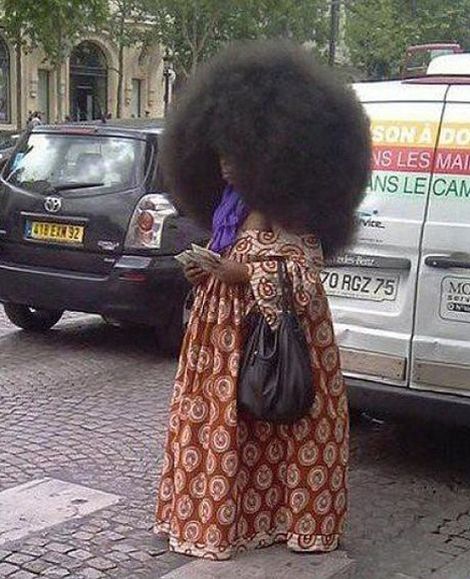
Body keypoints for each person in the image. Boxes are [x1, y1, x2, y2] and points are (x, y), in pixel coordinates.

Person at [155, 41, 371, 561]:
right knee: (216, 424)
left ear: (269, 153)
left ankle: (281, 519)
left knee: (271, 426)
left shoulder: (285, 202)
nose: (224, 164)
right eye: (220, 152)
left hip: (270, 340)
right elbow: (230, 251)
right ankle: (213, 517)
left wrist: (239, 272)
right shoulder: (232, 201)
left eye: (236, 153)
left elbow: (303, 270)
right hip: (221, 337)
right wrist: (204, 266)